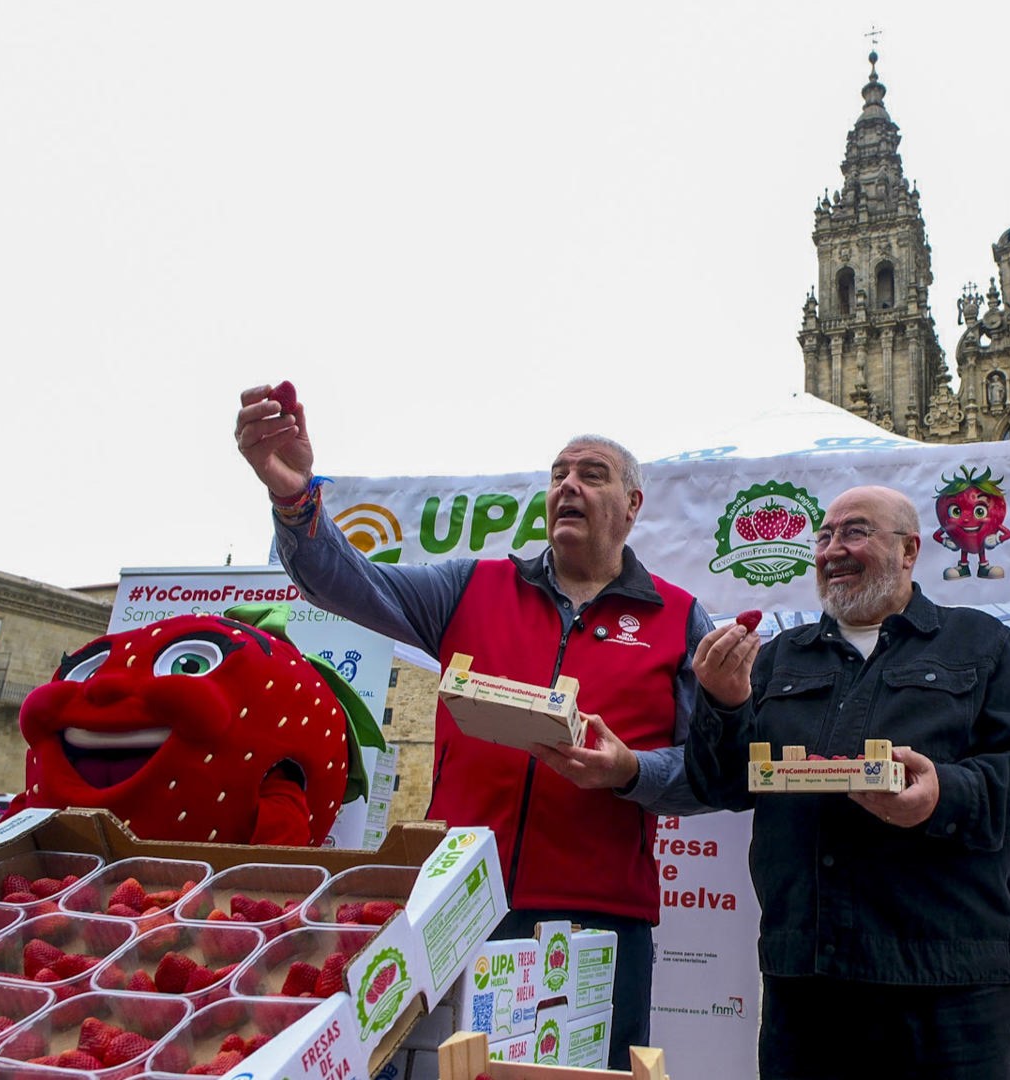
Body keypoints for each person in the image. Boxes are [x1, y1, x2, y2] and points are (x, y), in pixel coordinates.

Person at [233, 386, 714, 1069]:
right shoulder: (473, 587)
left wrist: (630, 771)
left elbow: (709, 774)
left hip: (599, 924)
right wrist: (294, 499)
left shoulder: (680, 618)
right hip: (459, 908)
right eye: (558, 475)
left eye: (592, 475)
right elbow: (346, 582)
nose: (568, 486)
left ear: (632, 505)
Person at [687, 484, 1010, 1079]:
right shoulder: (778, 659)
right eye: (824, 537)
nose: (832, 550)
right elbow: (720, 784)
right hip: (807, 986)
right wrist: (723, 703)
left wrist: (946, 793)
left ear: (909, 550)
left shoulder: (980, 644)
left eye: (855, 532)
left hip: (947, 988)